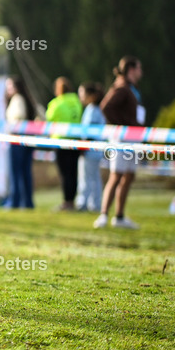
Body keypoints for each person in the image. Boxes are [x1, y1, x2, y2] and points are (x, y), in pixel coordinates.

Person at [96, 56, 143, 229]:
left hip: (133, 137)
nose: (141, 72)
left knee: (129, 176)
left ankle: (119, 216)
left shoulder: (130, 87)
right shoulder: (121, 87)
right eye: (139, 68)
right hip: (122, 138)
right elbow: (105, 107)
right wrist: (121, 126)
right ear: (131, 69)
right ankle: (103, 216)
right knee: (116, 176)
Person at [46, 77, 83, 211]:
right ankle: (72, 201)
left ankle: (67, 202)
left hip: (61, 142)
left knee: (65, 174)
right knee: (73, 173)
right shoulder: (77, 102)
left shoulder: (56, 103)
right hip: (76, 141)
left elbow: (48, 118)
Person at [3, 77, 37, 209]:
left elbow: (17, 117)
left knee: (15, 171)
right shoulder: (25, 99)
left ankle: (15, 201)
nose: (8, 89)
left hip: (17, 138)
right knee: (25, 172)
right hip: (27, 138)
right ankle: (27, 202)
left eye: (10, 86)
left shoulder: (17, 99)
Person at [76, 83, 105, 212]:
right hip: (94, 150)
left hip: (90, 150)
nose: (80, 97)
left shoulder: (93, 110)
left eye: (82, 94)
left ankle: (86, 203)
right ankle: (94, 203)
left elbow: (90, 133)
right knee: (93, 177)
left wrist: (83, 147)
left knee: (88, 178)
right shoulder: (94, 109)